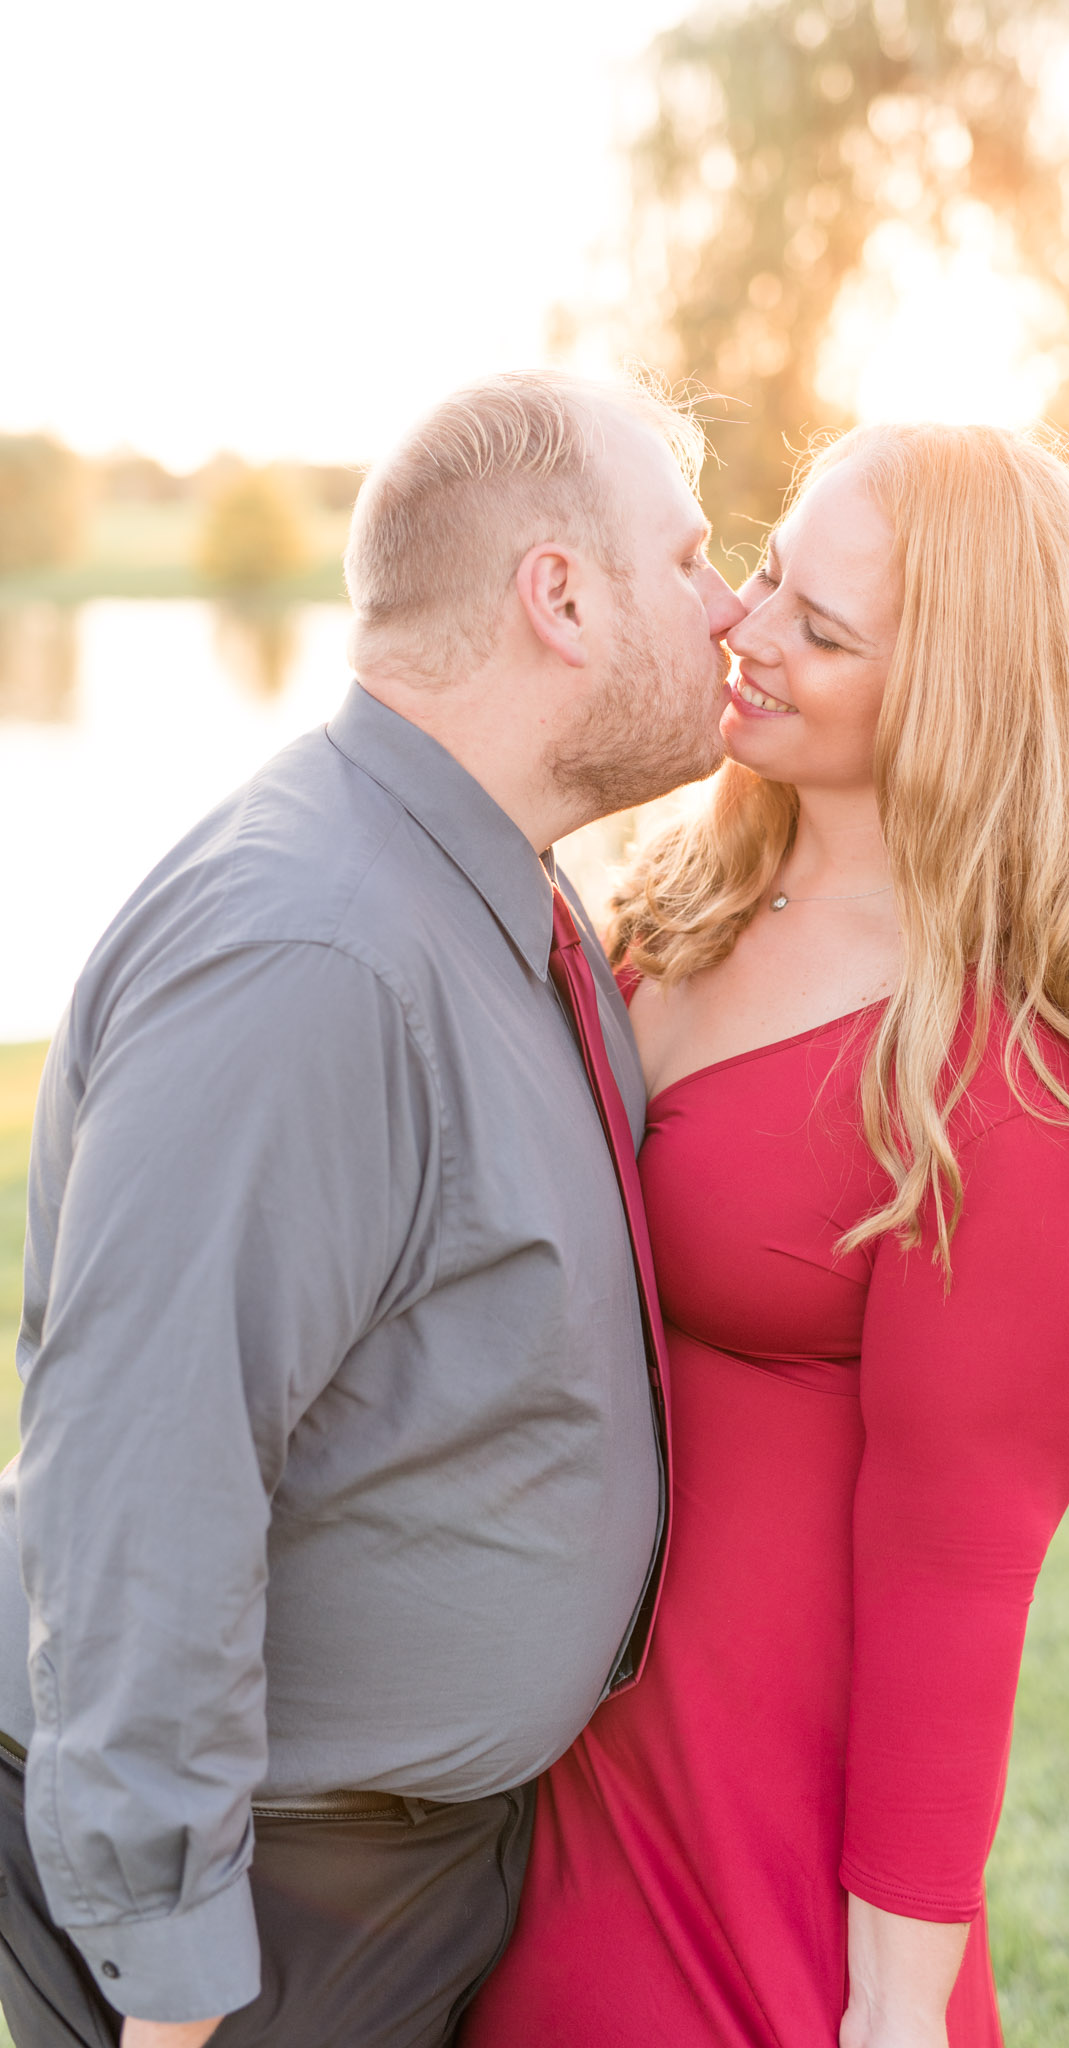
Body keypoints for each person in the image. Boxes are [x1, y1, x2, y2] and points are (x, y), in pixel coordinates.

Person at [461, 421, 1069, 2048]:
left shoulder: (1003, 1083)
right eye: (765, 576)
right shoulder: (676, 897)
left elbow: (958, 1583)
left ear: (959, 702)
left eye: (824, 631)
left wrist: (890, 2012)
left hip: (752, 1845)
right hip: (552, 1778)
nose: (747, 631)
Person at [0, 371, 744, 2048]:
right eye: (690, 560)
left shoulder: (488, 884)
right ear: (559, 596)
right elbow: (147, 1476)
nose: (731, 605)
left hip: (390, 1877)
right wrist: (176, 1999)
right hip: (263, 1910)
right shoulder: (314, 953)